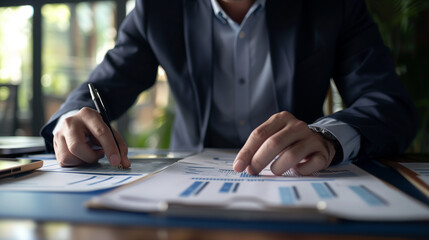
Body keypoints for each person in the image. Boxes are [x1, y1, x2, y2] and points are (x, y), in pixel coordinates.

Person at [41, 0, 417, 176]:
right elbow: (105, 84)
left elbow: (389, 103)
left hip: (298, 182)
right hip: (188, 198)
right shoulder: (159, 10)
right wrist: (69, 119)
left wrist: (327, 137)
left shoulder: (334, 6)